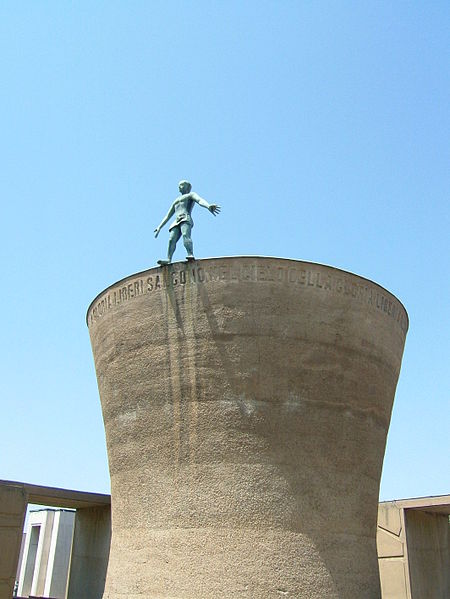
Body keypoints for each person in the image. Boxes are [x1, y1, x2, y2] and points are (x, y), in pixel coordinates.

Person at [154, 180, 220, 264]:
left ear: (187, 186)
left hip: (185, 218)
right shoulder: (176, 200)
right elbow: (168, 215)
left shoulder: (191, 195)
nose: (179, 187)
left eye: (181, 185)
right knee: (171, 239)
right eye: (179, 185)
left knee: (186, 235)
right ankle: (168, 259)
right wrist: (159, 227)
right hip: (176, 221)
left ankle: (190, 254)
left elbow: (200, 200)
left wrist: (208, 206)